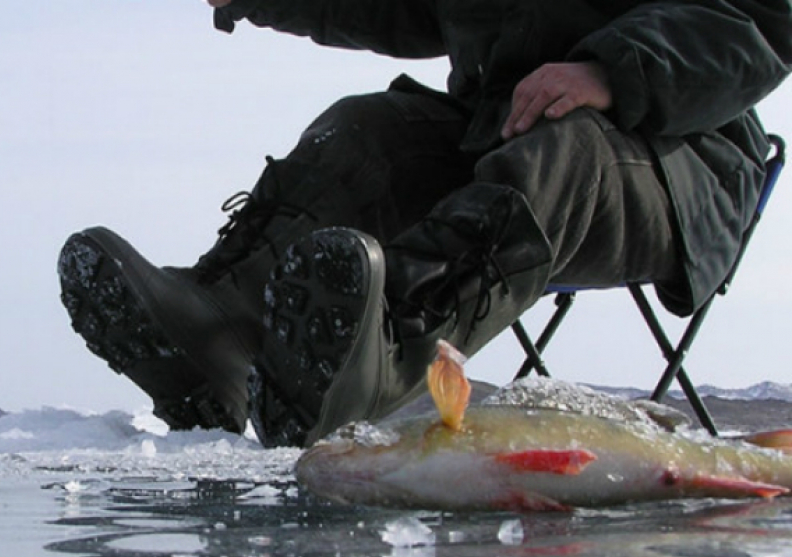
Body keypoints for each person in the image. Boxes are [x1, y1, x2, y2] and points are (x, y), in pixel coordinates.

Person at [58, 0, 792, 448]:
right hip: (501, 124)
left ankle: (378, 350)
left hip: (675, 150)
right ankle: (220, 336)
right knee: (363, 134)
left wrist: (612, 70)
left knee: (561, 155)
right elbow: (403, 3)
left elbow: (763, 14)